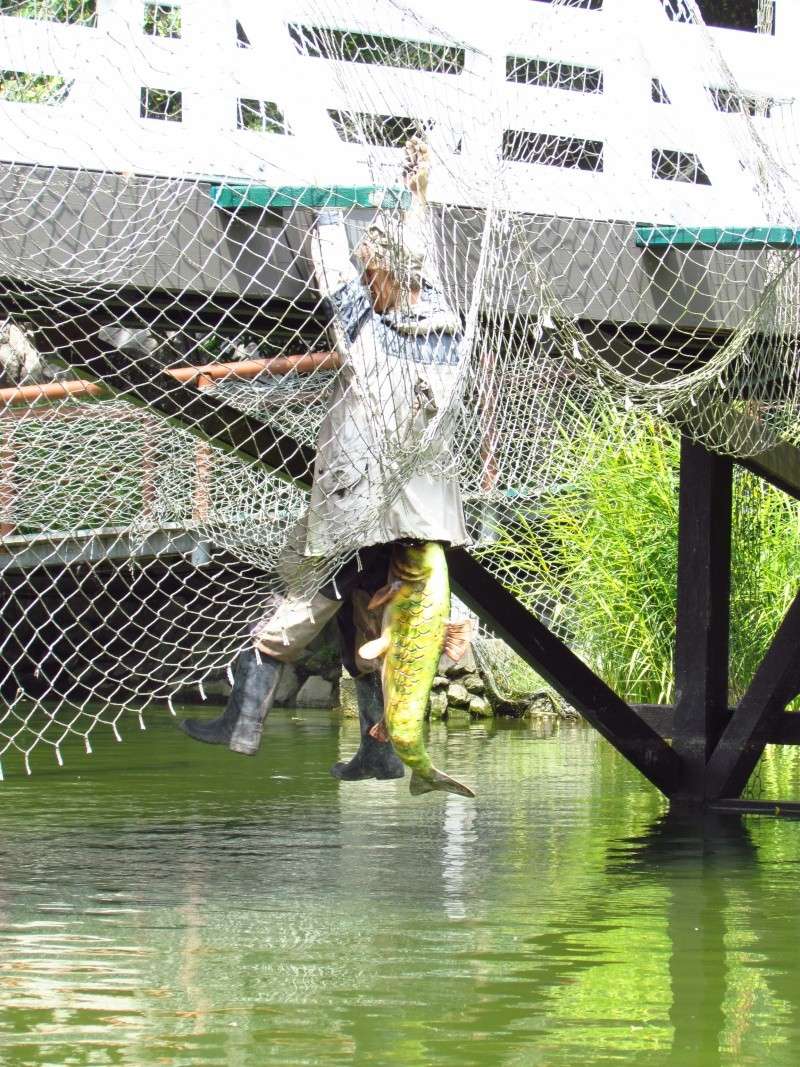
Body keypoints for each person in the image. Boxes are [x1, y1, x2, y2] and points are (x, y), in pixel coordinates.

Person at [179, 140, 470, 779]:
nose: (365, 276)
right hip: (423, 512)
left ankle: (245, 720)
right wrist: (418, 192)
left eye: (373, 271)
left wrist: (324, 209)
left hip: (358, 504)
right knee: (370, 608)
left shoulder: (371, 337)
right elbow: (420, 260)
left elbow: (335, 270)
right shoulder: (450, 328)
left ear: (382, 280)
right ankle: (379, 751)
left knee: (309, 593)